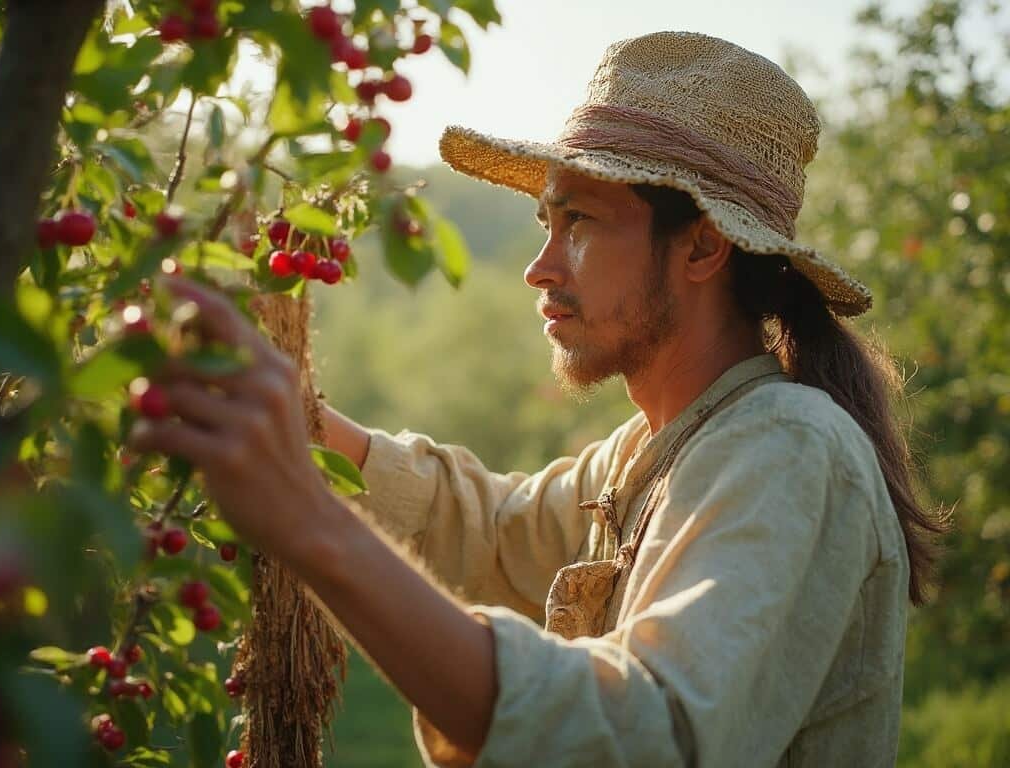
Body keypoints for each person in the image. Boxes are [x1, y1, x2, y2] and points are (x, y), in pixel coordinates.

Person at [130, 31, 949, 767]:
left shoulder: (787, 451)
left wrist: (309, 521)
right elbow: (490, 532)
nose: (541, 267)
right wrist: (304, 428)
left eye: (582, 223)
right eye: (543, 223)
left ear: (703, 245)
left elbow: (648, 737)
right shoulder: (654, 451)